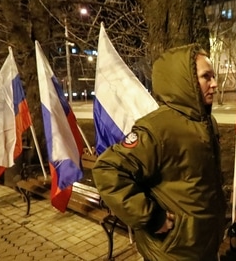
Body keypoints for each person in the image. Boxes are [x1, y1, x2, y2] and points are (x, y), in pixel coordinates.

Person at [92, 44, 227, 261]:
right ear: (186, 81)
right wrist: (152, 217)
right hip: (173, 252)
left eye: (213, 76)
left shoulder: (207, 122)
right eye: (206, 77)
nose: (215, 84)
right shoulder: (158, 128)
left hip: (204, 245)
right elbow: (108, 170)